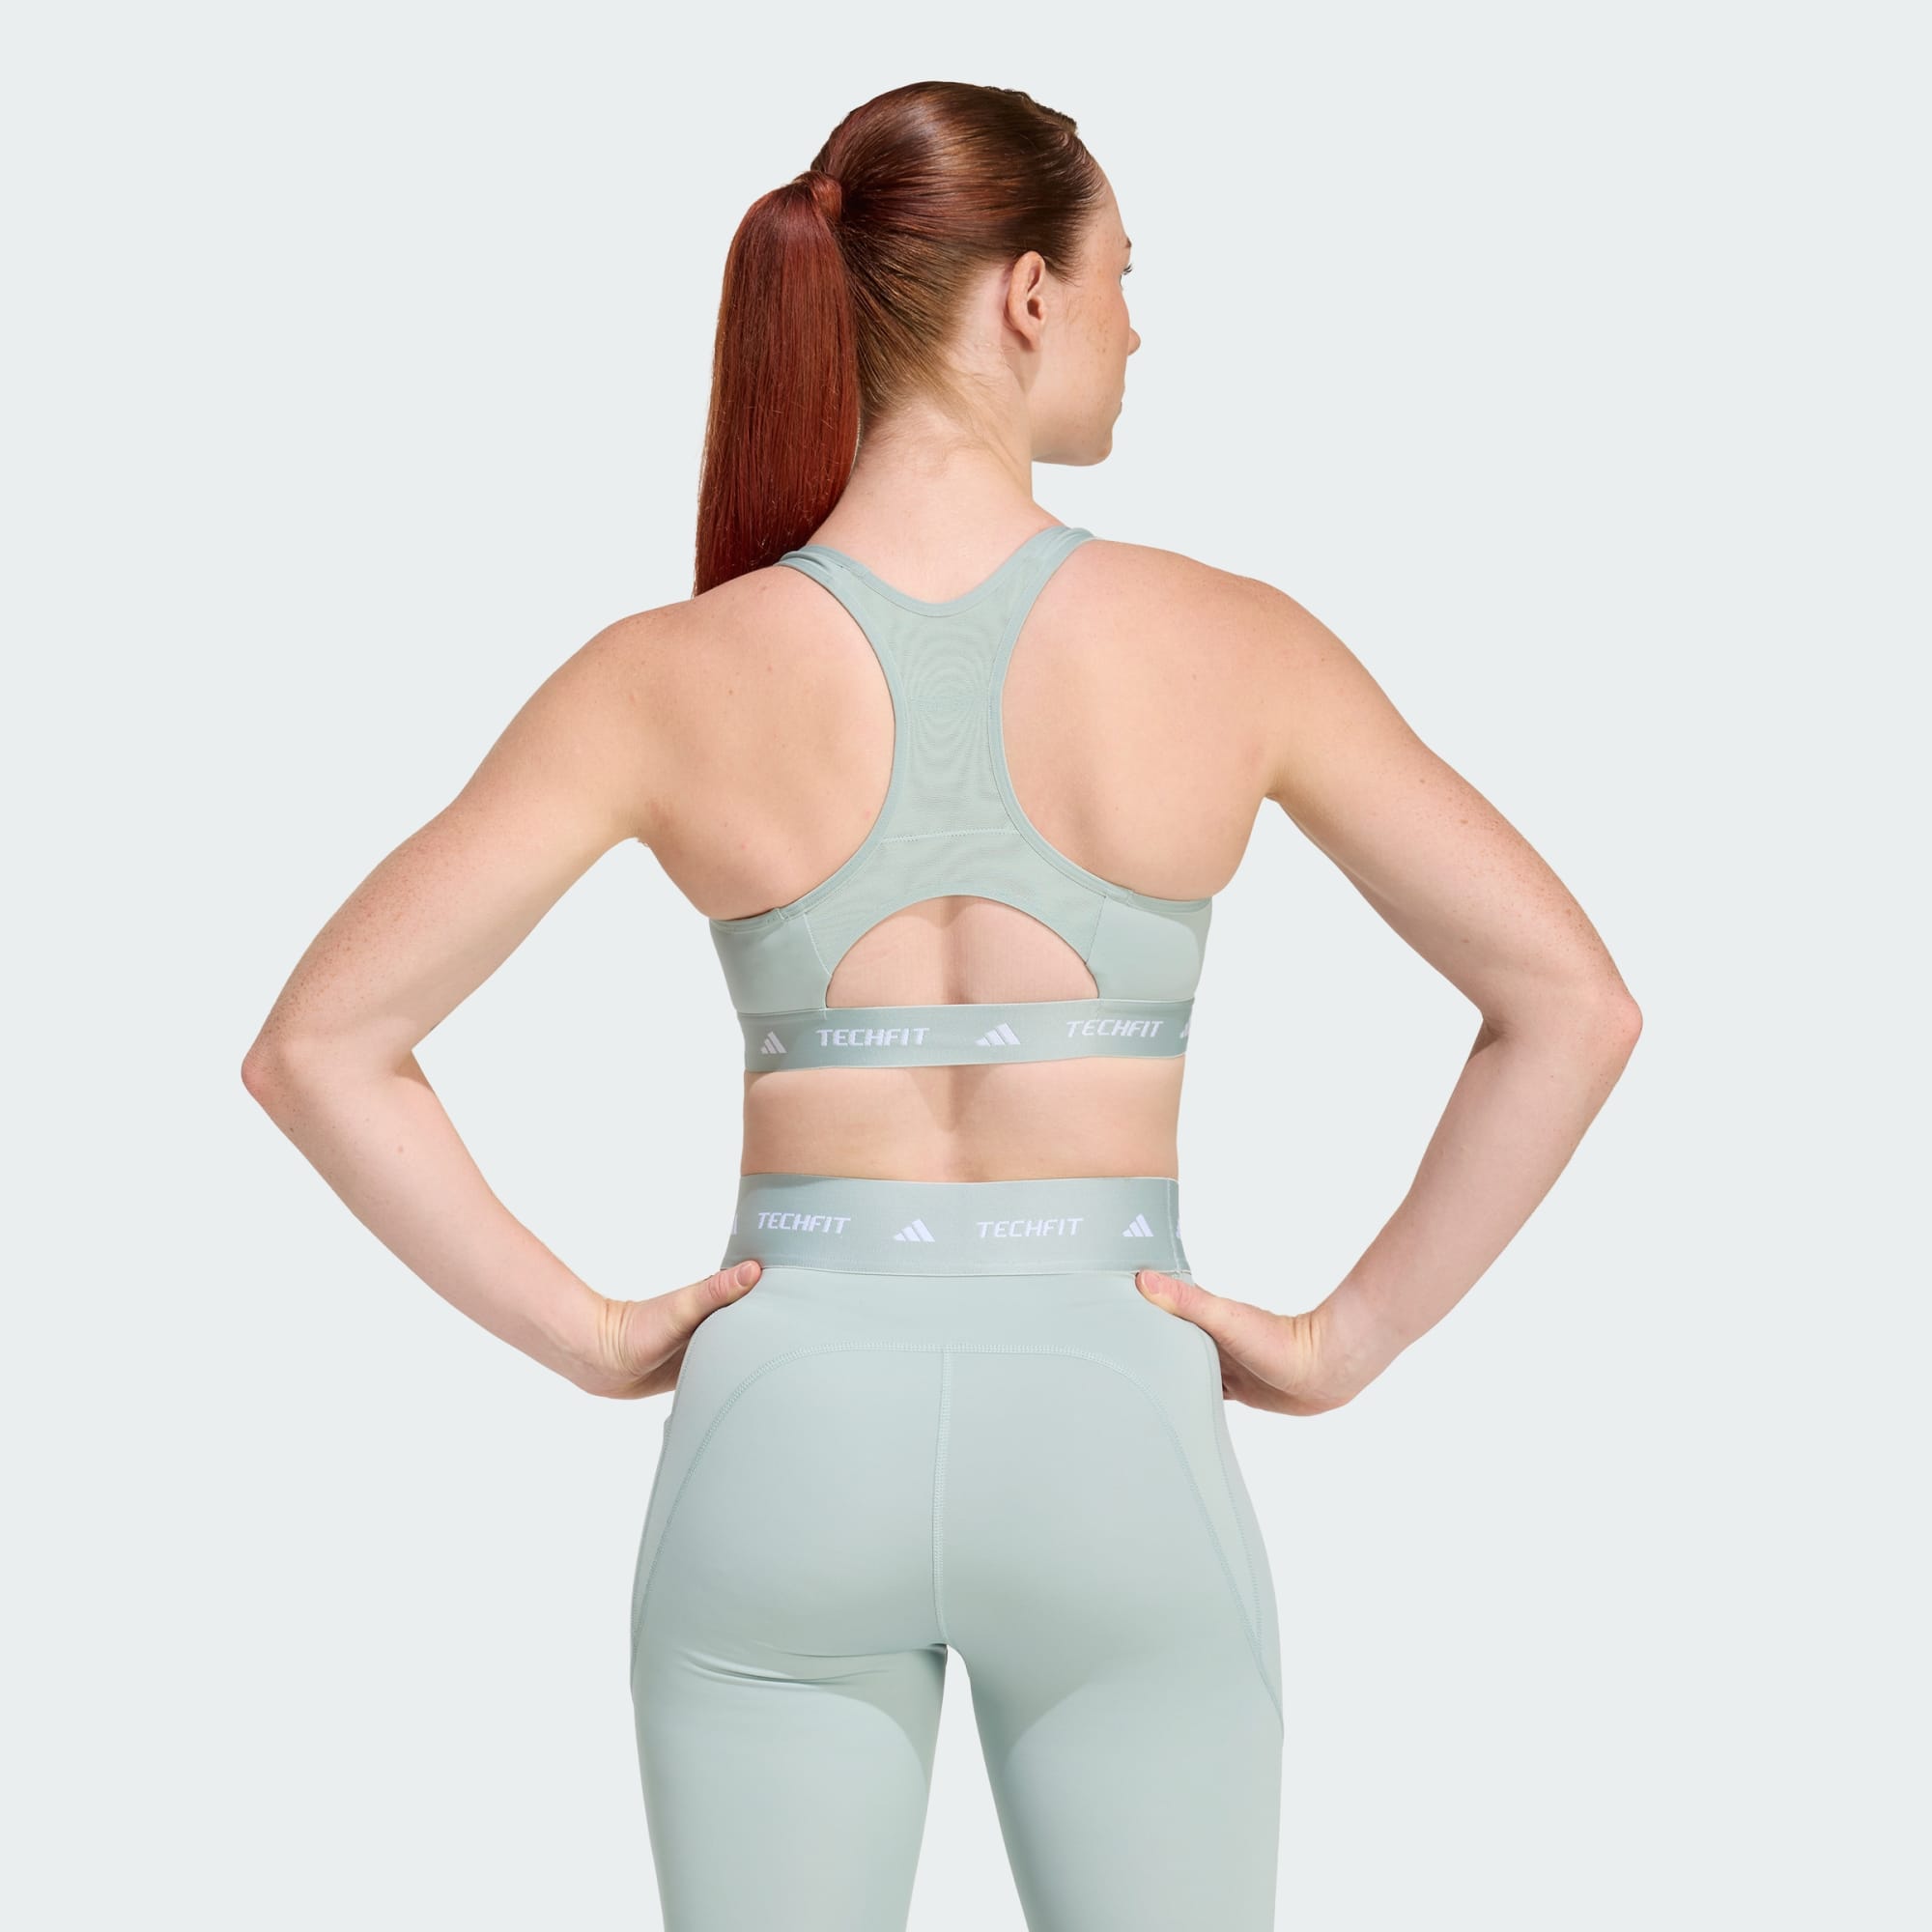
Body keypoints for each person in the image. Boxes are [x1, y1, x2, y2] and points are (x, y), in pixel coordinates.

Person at [242, 77, 1640, 1932]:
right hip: (1117, 1417)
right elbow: (1571, 1002)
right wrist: (1343, 1340)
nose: (1140, 327)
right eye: (1127, 275)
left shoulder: (667, 673)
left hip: (782, 1425)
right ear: (1031, 294)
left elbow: (321, 1048)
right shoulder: (1234, 644)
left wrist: (589, 1336)